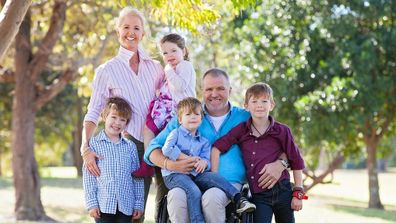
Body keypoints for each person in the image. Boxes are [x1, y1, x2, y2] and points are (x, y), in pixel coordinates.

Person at [144, 68, 288, 223]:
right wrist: (170, 164)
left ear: (230, 90)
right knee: (176, 196)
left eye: (220, 88)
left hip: (229, 184)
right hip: (186, 179)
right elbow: (152, 149)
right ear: (202, 91)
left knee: (211, 198)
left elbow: (284, 144)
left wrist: (281, 163)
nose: (214, 94)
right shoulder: (188, 116)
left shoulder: (246, 117)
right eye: (209, 89)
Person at [80, 7, 164, 223]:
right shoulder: (106, 70)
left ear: (143, 34)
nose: (131, 32)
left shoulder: (156, 67)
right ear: (118, 31)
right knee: (135, 213)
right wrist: (85, 148)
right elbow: (93, 112)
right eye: (126, 27)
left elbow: (168, 102)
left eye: (137, 28)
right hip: (132, 147)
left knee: (167, 204)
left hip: (162, 144)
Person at [212, 83, 307, 223]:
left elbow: (296, 161)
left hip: (283, 191)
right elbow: (217, 147)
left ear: (272, 105)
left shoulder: (282, 131)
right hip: (259, 195)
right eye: (254, 101)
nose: (259, 105)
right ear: (246, 106)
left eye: (264, 101)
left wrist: (298, 194)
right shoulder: (241, 130)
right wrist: (214, 177)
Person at [161, 97, 255, 222]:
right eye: (188, 114)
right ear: (180, 119)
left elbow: (207, 160)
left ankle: (239, 199)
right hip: (175, 175)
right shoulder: (175, 133)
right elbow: (166, 150)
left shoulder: (204, 142)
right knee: (194, 191)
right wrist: (187, 158)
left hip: (194, 174)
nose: (193, 117)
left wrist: (203, 163)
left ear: (201, 118)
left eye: (196, 114)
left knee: (215, 177)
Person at [134, 33, 196, 177]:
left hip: (180, 112)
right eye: (165, 52)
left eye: (174, 50)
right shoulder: (172, 69)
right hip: (167, 109)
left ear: (184, 51)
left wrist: (167, 70)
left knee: (165, 139)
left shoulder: (185, 66)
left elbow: (180, 86)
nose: (169, 55)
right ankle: (148, 161)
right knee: (148, 129)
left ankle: (158, 163)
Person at [83, 97, 144, 223]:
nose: (117, 123)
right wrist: (92, 203)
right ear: (105, 116)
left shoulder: (130, 146)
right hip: (103, 206)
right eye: (114, 117)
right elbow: (89, 177)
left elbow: (137, 177)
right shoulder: (94, 144)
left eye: (123, 120)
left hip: (126, 206)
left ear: (126, 123)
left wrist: (138, 203)